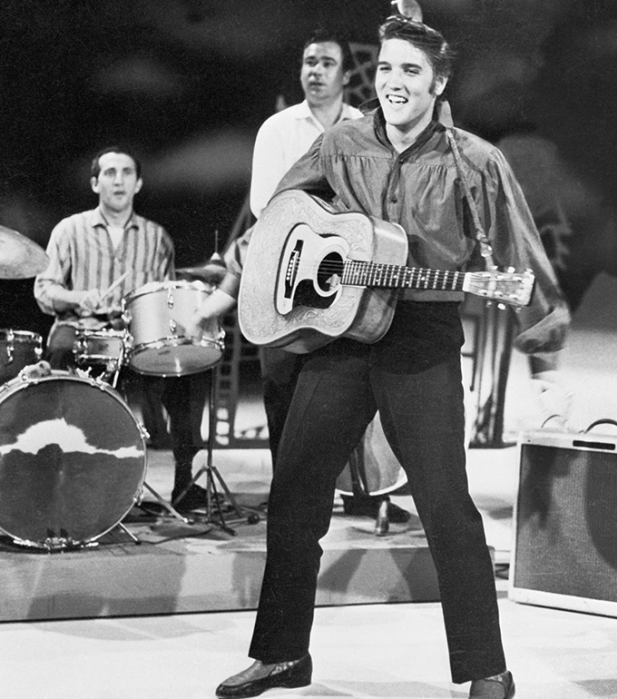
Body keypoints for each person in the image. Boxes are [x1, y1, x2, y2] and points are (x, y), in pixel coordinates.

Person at [208, 13, 568, 699]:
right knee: (294, 498)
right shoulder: (341, 142)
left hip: (421, 344)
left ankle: (487, 668)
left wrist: (545, 362)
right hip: (340, 338)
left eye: (411, 71)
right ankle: (283, 654)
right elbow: (281, 211)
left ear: (438, 83)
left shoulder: (477, 162)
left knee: (444, 505)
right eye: (387, 70)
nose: (395, 82)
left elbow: (523, 258)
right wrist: (291, 255)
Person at [248, 30, 410, 523]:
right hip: (287, 270)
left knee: (350, 383)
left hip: (343, 280)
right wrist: (330, 225)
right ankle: (290, 500)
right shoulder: (277, 128)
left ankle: (364, 493)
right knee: (283, 384)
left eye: (325, 63)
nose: (314, 70)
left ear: (345, 75)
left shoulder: (366, 128)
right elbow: (268, 203)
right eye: (308, 61)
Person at [33, 146, 213, 513]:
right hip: (82, 331)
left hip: (136, 338)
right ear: (95, 183)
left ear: (138, 183)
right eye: (110, 173)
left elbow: (165, 298)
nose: (119, 180)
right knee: (61, 348)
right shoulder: (70, 229)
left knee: (193, 369)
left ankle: (183, 478)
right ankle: (62, 472)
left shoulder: (156, 237)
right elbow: (44, 289)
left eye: (126, 173)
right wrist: (80, 297)